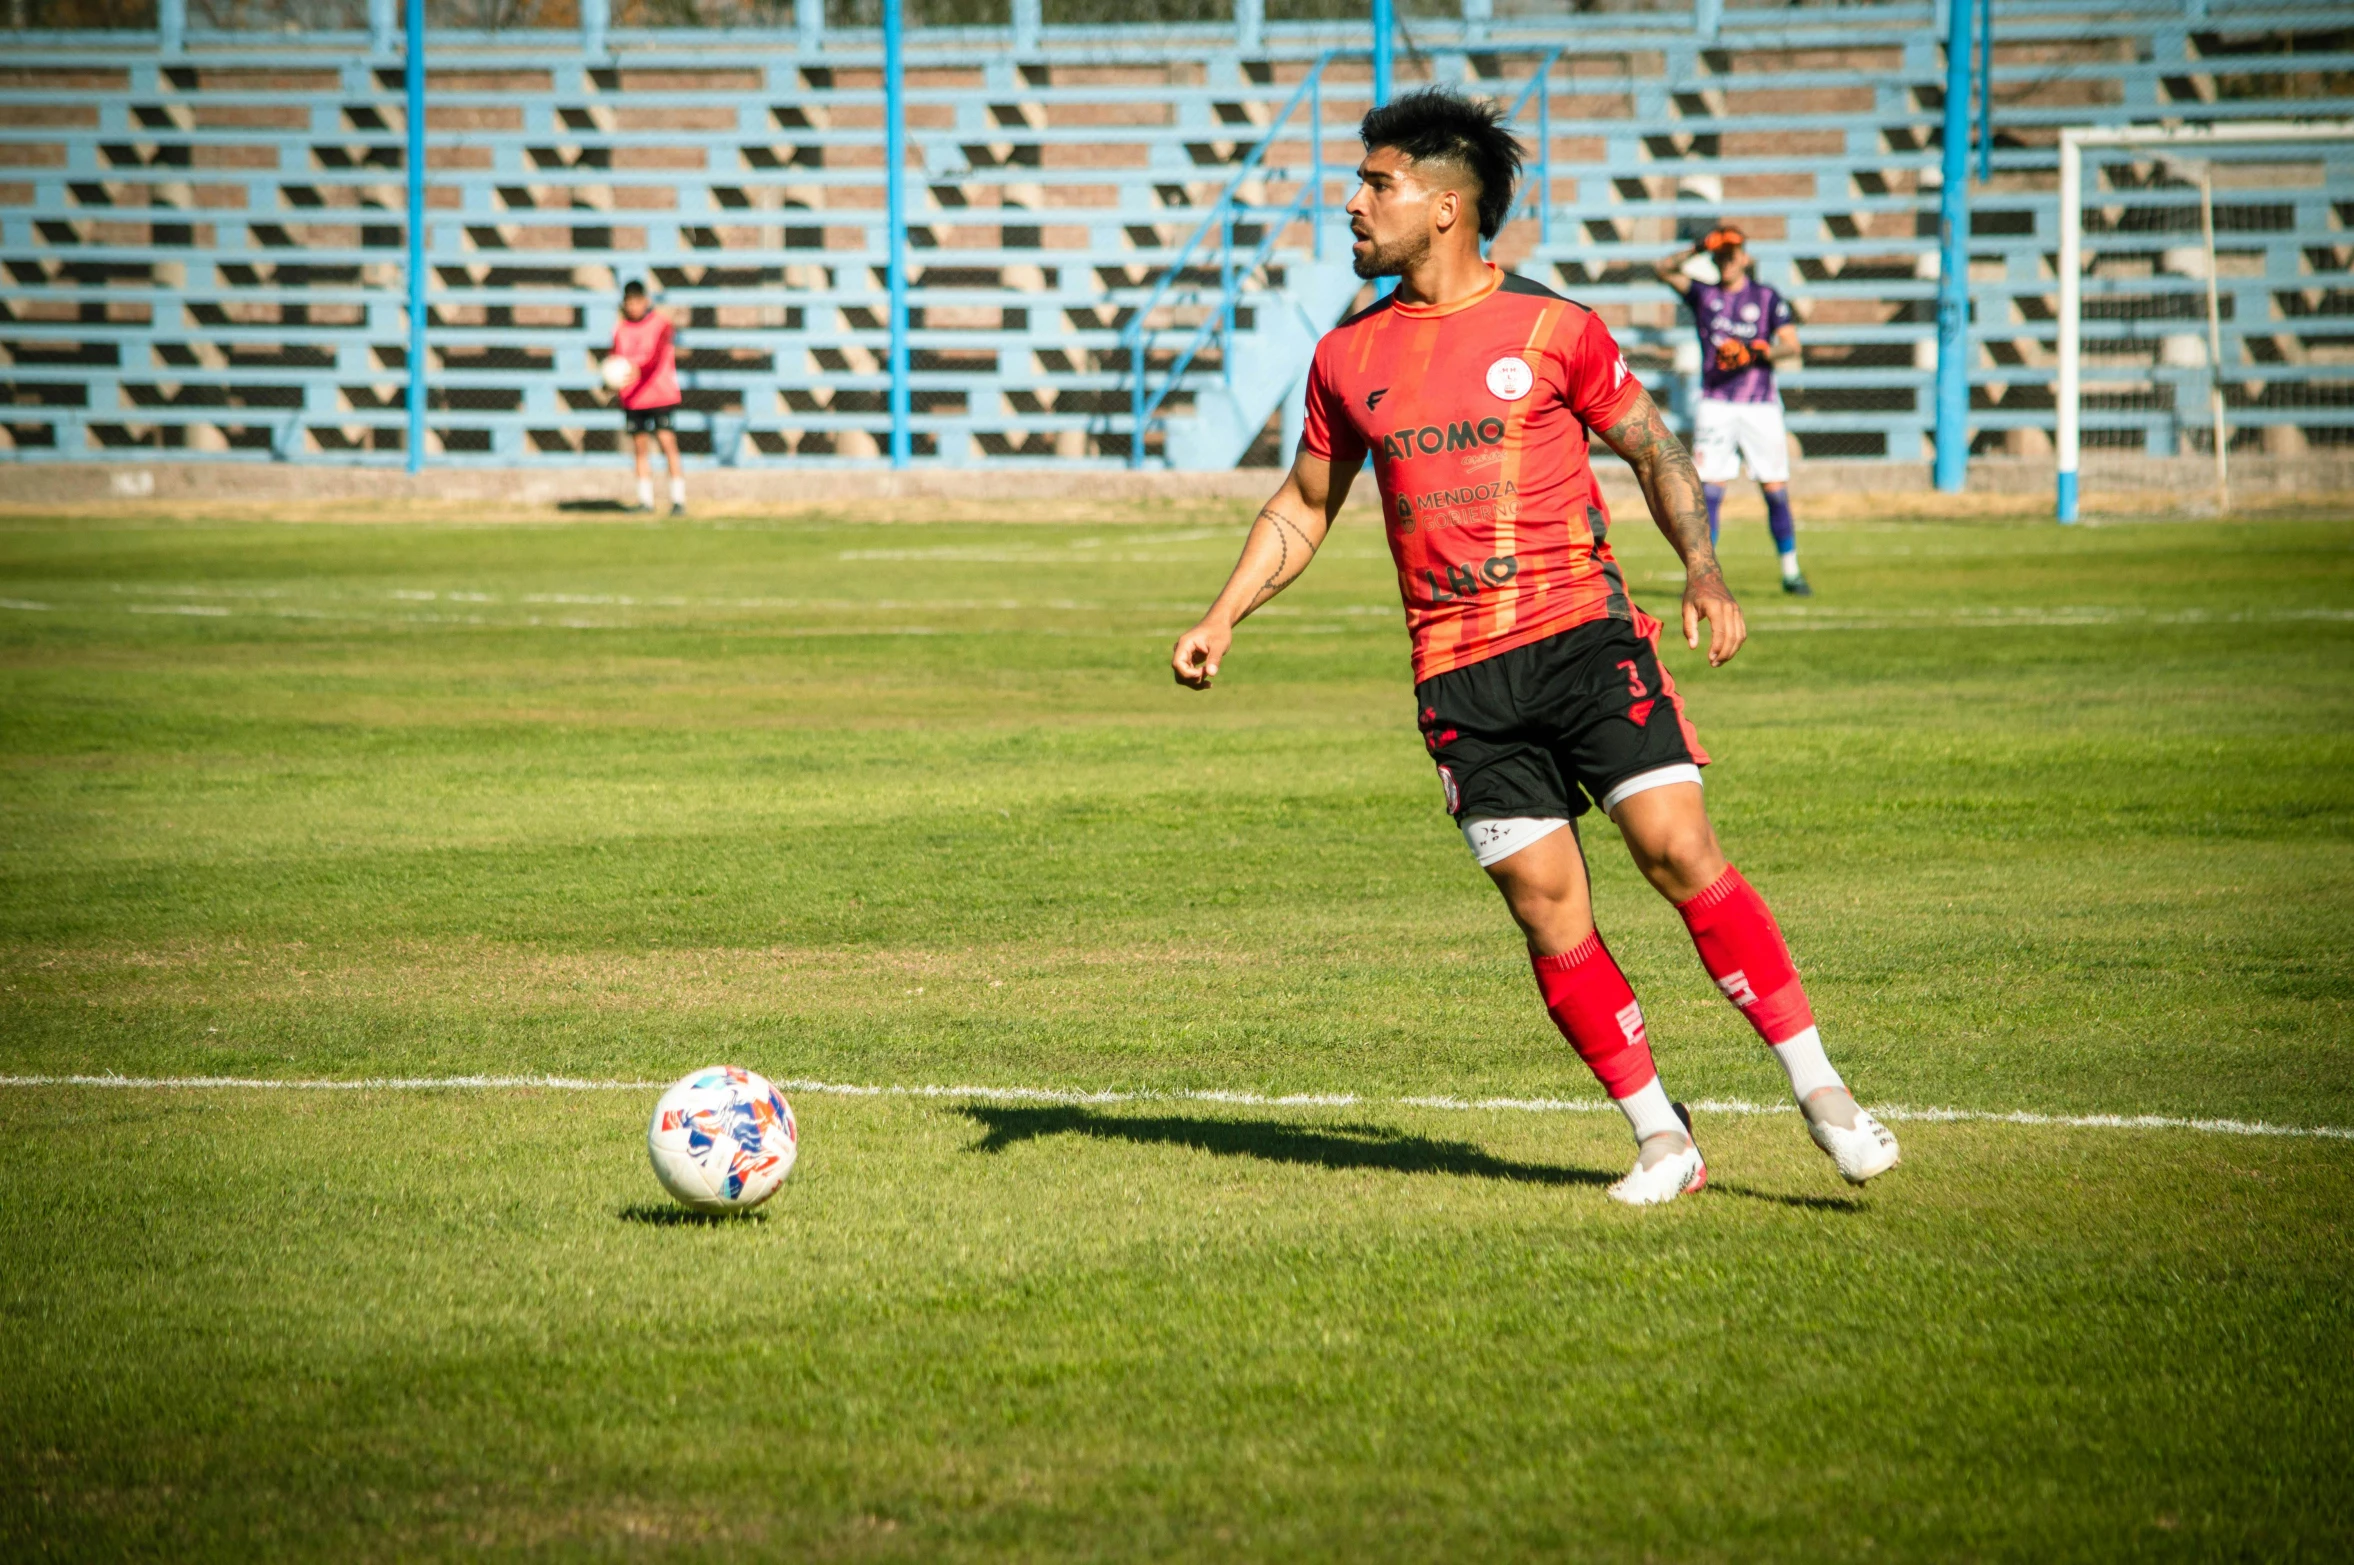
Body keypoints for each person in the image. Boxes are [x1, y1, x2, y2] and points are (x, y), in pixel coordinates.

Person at [1169, 90, 1897, 1205]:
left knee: (1672, 848)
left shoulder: (1554, 328)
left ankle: (1821, 1089)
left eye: (1377, 185)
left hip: (1580, 635)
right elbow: (1306, 501)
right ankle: (1662, 1136)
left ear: (1446, 208)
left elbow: (1652, 447)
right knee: (1546, 906)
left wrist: (1700, 567)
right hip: (1457, 675)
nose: (1352, 204)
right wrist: (1223, 613)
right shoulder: (1342, 357)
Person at [1653, 225, 1809, 595]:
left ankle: (1791, 571)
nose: (1726, 260)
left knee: (1773, 488)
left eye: (1732, 253)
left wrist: (1755, 351)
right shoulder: (1704, 296)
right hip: (1716, 403)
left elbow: (1792, 346)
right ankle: (1705, 574)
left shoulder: (1767, 297)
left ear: (1745, 257)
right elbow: (1662, 269)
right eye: (1719, 254)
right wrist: (1697, 247)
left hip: (1760, 404)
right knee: (1710, 491)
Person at [611, 279, 686, 516]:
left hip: (660, 395)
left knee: (667, 444)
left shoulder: (661, 324)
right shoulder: (620, 329)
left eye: (637, 301)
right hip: (633, 398)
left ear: (646, 300)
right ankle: (645, 501)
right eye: (629, 302)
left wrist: (637, 371)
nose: (633, 306)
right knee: (640, 448)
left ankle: (678, 500)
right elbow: (615, 360)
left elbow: (655, 358)